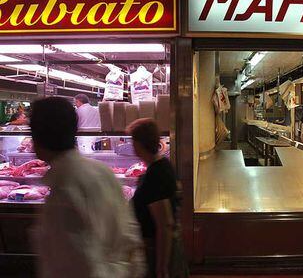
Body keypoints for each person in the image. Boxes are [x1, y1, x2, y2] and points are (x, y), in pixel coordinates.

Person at [30, 97, 145, 278]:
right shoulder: (102, 172)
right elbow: (131, 238)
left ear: (37, 139)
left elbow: (79, 267)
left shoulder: (63, 193)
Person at [128, 118, 188, 278]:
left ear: (139, 144)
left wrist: (162, 268)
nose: (132, 146)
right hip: (156, 248)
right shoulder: (160, 166)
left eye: (133, 141)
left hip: (158, 250)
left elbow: (165, 224)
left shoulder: (156, 174)